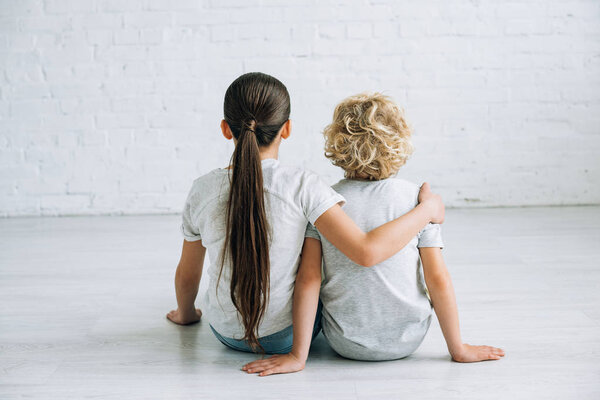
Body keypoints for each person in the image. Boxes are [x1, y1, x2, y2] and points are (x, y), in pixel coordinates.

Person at [166, 74, 444, 369]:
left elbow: (187, 273)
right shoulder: (303, 186)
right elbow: (365, 252)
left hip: (226, 334)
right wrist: (427, 210)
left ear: (225, 128)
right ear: (286, 129)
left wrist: (186, 315)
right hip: (284, 338)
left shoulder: (202, 190)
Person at [243, 92, 504, 376]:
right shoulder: (418, 200)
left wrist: (297, 355)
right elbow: (437, 278)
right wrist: (458, 349)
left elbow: (309, 279)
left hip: (345, 343)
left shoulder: (324, 199)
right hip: (408, 341)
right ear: (400, 144)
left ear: (337, 144)